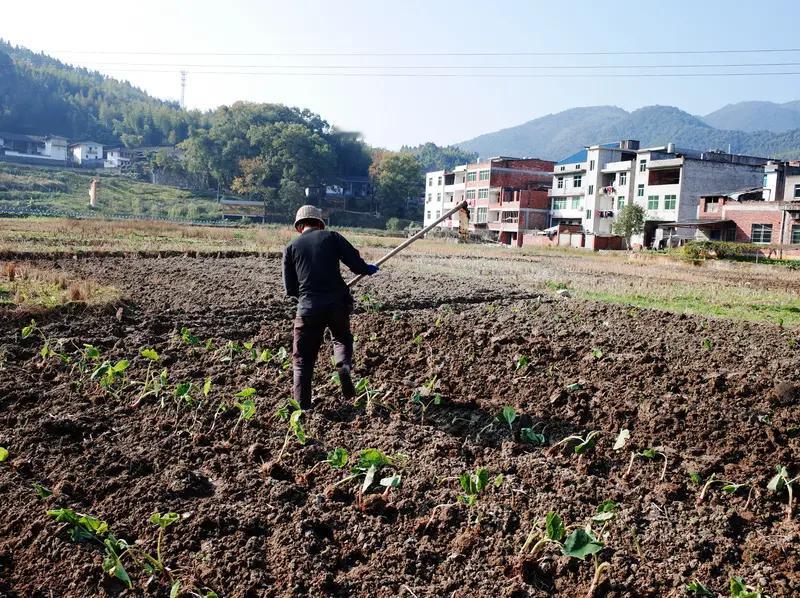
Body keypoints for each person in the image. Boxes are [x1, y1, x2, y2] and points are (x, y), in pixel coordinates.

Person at [283, 205, 379, 409]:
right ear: (319, 223)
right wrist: (367, 269)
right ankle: (343, 364)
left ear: (299, 226)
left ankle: (302, 407)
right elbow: (354, 263)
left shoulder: (290, 248)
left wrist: (307, 298)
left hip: (308, 308)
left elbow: (290, 288)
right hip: (337, 303)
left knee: (302, 359)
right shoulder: (332, 237)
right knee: (342, 338)